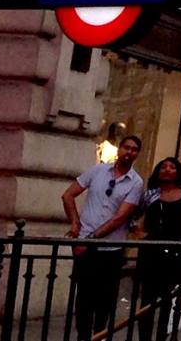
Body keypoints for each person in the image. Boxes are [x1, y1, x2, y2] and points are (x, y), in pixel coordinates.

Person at [62, 134, 146, 338]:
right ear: (119, 149)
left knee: (105, 298)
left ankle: (99, 334)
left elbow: (119, 218)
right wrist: (75, 224)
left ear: (137, 154)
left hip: (111, 248)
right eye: (126, 147)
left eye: (134, 149)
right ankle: (84, 335)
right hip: (85, 244)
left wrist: (88, 239)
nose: (129, 152)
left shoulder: (135, 182)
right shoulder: (98, 171)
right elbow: (68, 195)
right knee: (83, 296)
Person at [129, 157, 181, 341]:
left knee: (169, 300)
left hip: (176, 253)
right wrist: (138, 232)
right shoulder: (150, 195)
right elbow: (132, 214)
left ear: (178, 172)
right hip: (151, 253)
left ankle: (163, 336)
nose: (167, 170)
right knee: (147, 300)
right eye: (163, 167)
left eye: (172, 167)